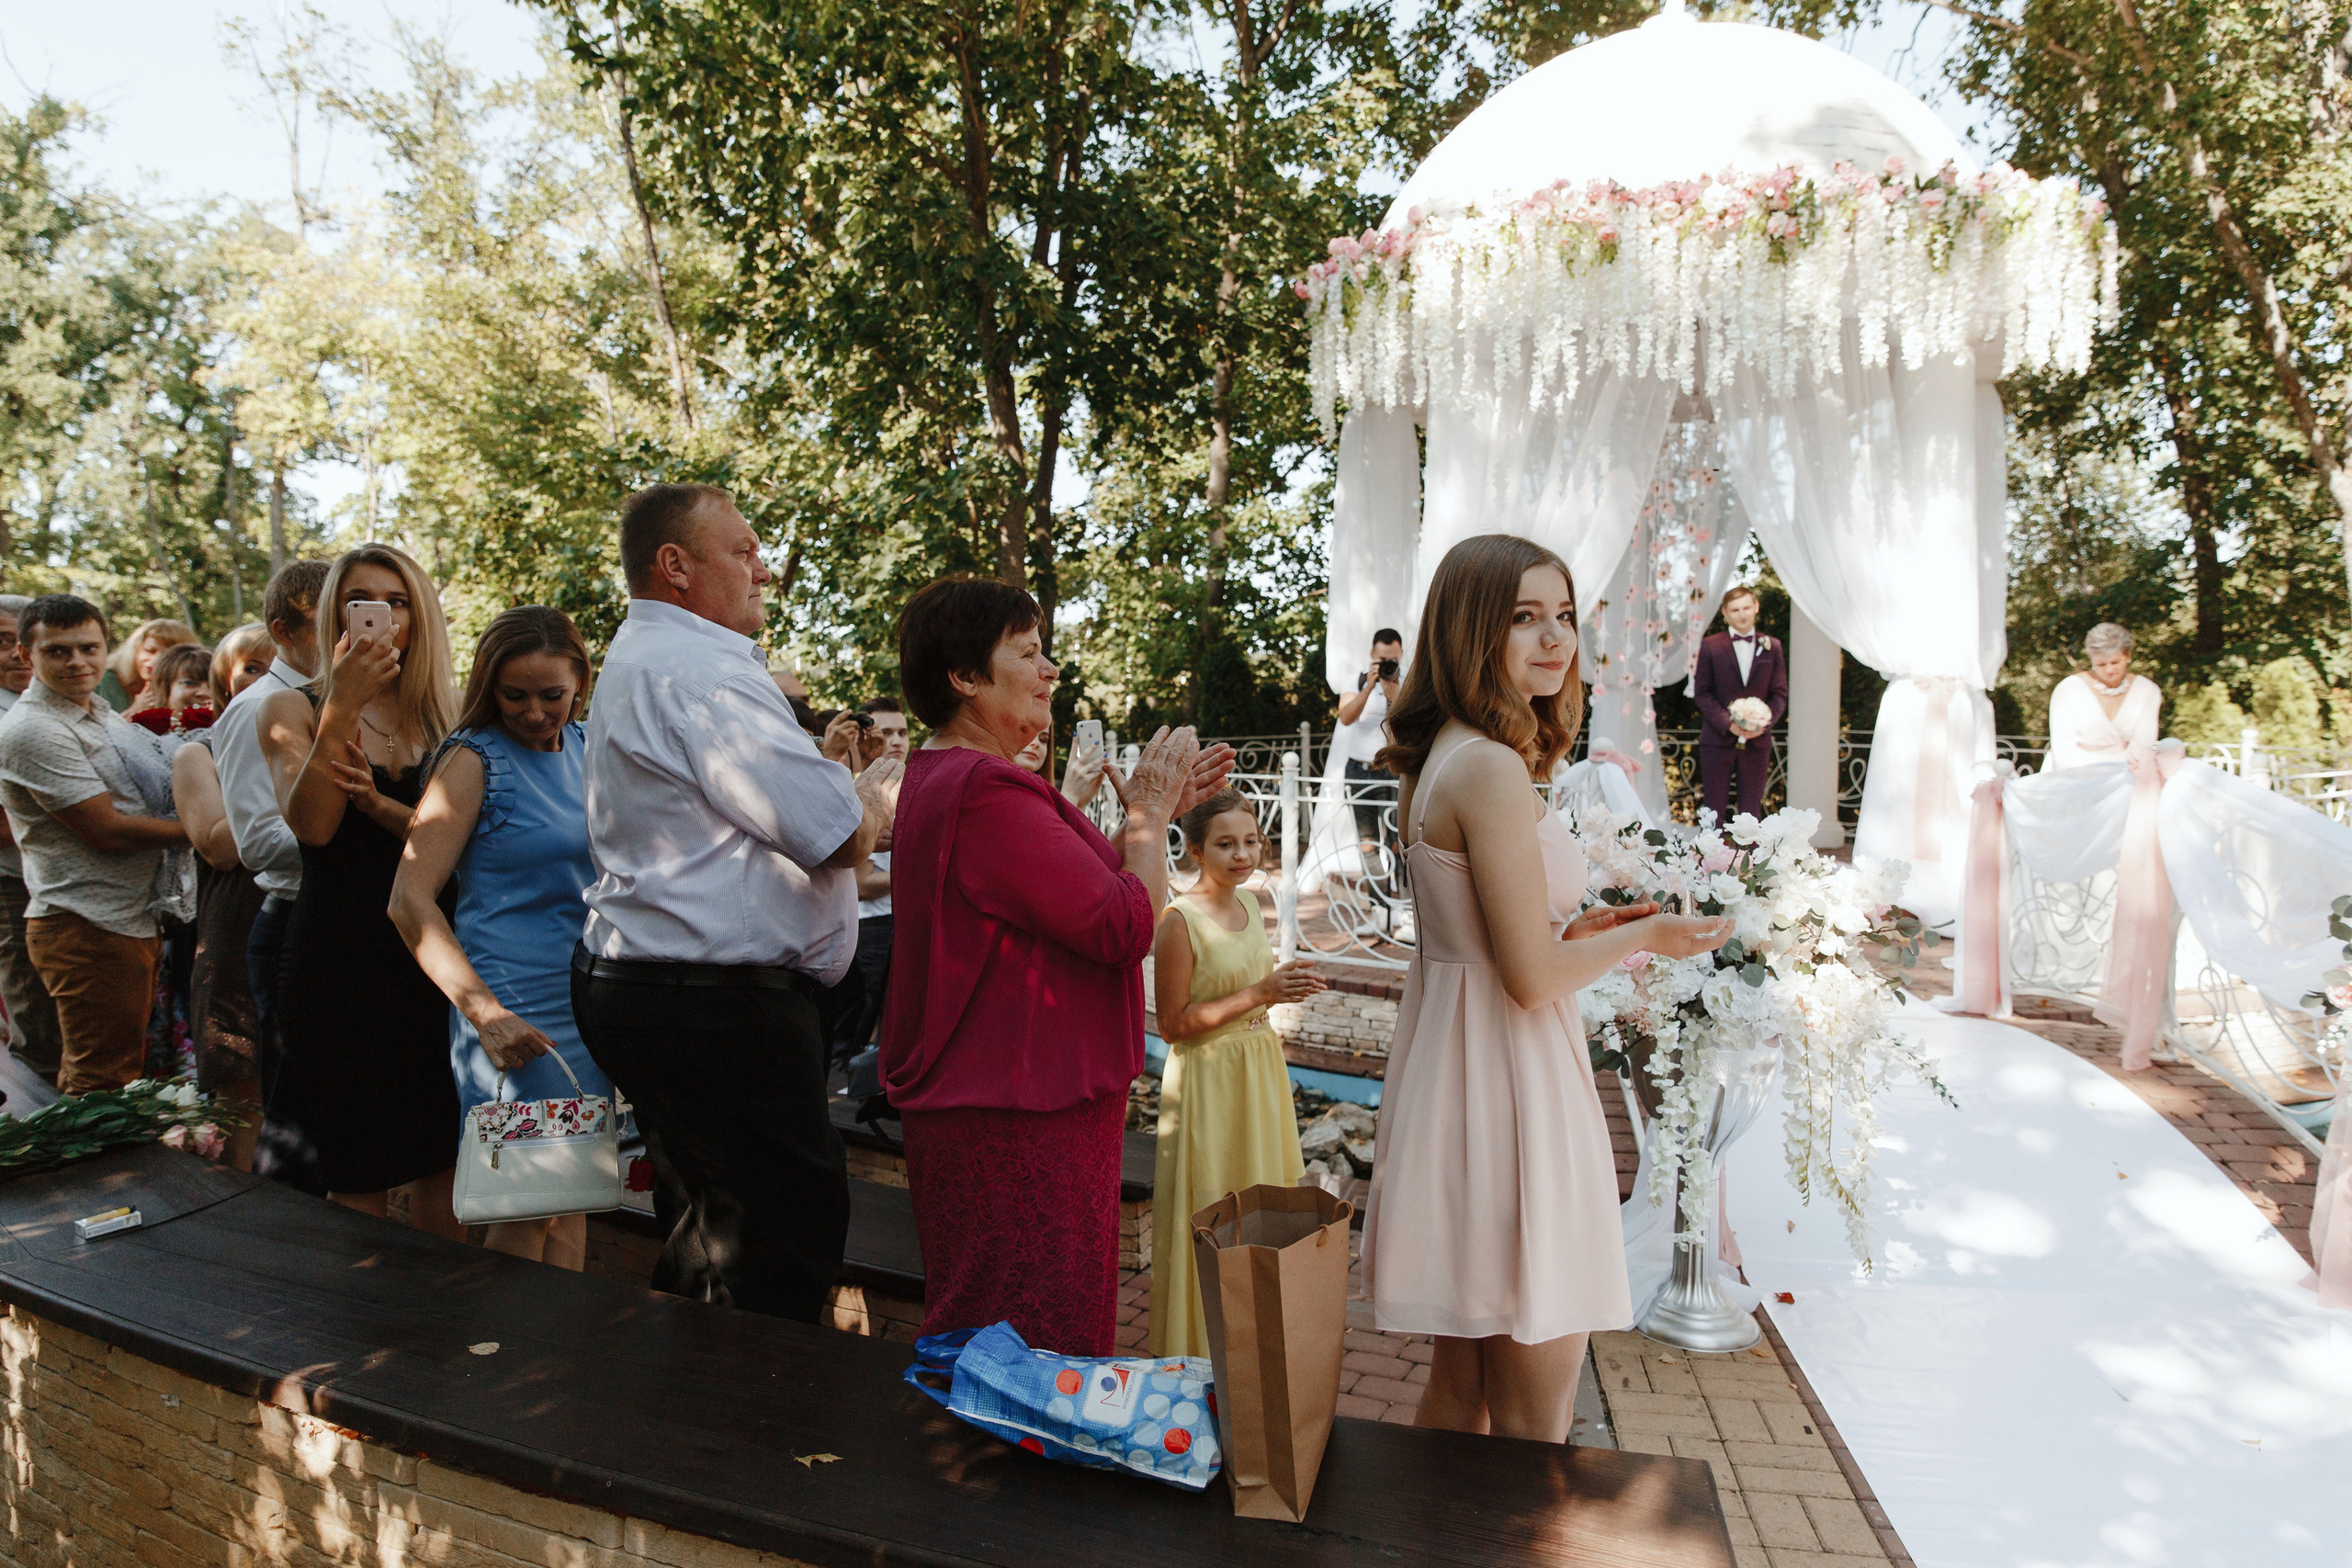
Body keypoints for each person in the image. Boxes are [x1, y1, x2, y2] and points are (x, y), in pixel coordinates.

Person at [1362, 534, 1731, 1443]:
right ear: (1468, 630)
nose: (1554, 637)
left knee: (1463, 1389)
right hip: (1512, 1083)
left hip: (1461, 1073)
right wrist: (1650, 933)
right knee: (1537, 1417)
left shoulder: (1448, 753)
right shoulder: (1486, 767)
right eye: (1523, 617)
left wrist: (1579, 930)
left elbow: (1483, 940)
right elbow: (1528, 982)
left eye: (1562, 615)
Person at [878, 574, 1232, 1354]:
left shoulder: (962, 778)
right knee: (1033, 1344)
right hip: (1018, 1118)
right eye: (1030, 653)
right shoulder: (984, 789)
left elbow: (1080, 886)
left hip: (1010, 1103)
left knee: (1015, 1333)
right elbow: (1120, 921)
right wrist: (1143, 808)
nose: (1050, 671)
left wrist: (1155, 814)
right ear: (964, 677)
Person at [574, 482, 897, 1320]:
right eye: (744, 550)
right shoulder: (700, 672)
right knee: (776, 1240)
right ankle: (742, 1431)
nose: (765, 568)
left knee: (710, 1227)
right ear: (674, 566)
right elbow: (836, 833)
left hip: (672, 992)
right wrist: (873, 799)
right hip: (712, 1006)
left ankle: (690, 1418)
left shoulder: (655, 657)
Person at [391, 606, 612, 1269]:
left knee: (572, 1196)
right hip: (509, 1005)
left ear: (581, 681)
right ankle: (502, 1358)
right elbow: (408, 900)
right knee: (523, 1207)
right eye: (514, 695)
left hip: (585, 1002)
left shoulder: (588, 744)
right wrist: (484, 1014)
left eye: (553, 694)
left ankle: (559, 1360)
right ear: (488, 687)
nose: (536, 711)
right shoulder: (472, 758)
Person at [255, 544, 463, 1235]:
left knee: (444, 1159)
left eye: (397, 601)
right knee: (356, 1168)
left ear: (418, 615)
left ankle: (441, 1325)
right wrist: (341, 703)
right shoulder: (291, 706)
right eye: (361, 600)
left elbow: (473, 843)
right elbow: (313, 828)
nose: (381, 616)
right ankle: (358, 1329)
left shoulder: (451, 716)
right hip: (337, 960)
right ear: (336, 614)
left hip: (435, 956)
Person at [1148, 787, 1325, 1357]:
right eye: (1226, 844)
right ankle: (1198, 1344)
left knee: (1258, 1204)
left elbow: (1252, 997)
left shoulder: (1251, 906)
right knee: (1212, 1205)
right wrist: (1261, 991)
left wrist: (1279, 989)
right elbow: (1173, 1023)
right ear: (1195, 849)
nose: (1242, 854)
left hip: (1258, 1069)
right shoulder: (1179, 920)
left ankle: (1252, 1341)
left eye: (1251, 842)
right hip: (1209, 1080)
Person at [0, 597, 190, 1093]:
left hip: (129, 915)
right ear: (27, 655)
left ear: (106, 649)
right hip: (85, 921)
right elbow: (106, 829)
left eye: (89, 648)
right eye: (58, 651)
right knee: (99, 1080)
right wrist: (207, 830)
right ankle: (91, 1173)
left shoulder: (99, 711)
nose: (78, 662)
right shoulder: (31, 729)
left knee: (120, 1070)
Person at [215, 560, 330, 1190]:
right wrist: (352, 837)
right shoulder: (256, 709)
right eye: (330, 620)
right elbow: (257, 840)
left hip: (353, 923)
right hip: (292, 926)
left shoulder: (353, 703)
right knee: (296, 1119)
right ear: (283, 630)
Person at [172, 625, 278, 1168]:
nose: (270, 679)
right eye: (253, 669)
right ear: (225, 682)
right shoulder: (200, 753)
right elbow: (218, 845)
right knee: (244, 1081)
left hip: (305, 921)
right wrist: (297, 796)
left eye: (280, 666)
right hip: (236, 924)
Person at [820, 696, 914, 1068]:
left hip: (907, 922)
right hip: (872, 927)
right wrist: (922, 868)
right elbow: (862, 883)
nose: (897, 741)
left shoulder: (913, 782)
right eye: (886, 732)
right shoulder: (861, 790)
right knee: (860, 1034)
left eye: (903, 732)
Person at [0, 594, 62, 1085]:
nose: (12, 651)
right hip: (14, 882)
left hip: (71, 886)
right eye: (1, 641)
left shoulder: (64, 701)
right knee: (36, 1019)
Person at [1690, 584, 1787, 822]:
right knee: (1713, 810)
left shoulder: (1772, 646)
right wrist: (1729, 724)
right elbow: (1701, 692)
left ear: (1756, 607)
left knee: (1751, 810)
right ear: (1725, 613)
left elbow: (1779, 694)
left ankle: (1751, 859)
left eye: (1746, 607)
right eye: (1735, 609)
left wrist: (1762, 723)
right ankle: (1712, 858)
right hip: (1717, 739)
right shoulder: (1711, 645)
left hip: (1757, 741)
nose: (1742, 614)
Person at [1333, 628, 1406, 885]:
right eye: (1383, 660)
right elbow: (1346, 717)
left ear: (1401, 656)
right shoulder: (1357, 680)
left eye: (1393, 661)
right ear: (1372, 655)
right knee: (1368, 843)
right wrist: (1369, 687)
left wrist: (1390, 688)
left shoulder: (1405, 682)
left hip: (1393, 771)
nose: (1388, 665)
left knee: (1398, 841)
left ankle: (1404, 908)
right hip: (1359, 770)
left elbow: (1407, 722)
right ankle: (1379, 906)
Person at [2046, 623, 2160, 772]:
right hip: (2073, 773)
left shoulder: (2146, 690)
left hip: (2128, 772)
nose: (2109, 670)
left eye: (2115, 662)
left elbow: (2143, 746)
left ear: (2128, 656)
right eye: (2101, 664)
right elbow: (2063, 750)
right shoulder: (2068, 690)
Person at [99, 618, 200, 714]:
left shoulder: (193, 689)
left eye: (166, 655)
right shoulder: (106, 680)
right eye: (150, 651)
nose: (155, 661)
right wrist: (134, 711)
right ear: (136, 650)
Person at [129, 644, 218, 738]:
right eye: (190, 683)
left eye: (213, 685)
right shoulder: (141, 736)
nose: (205, 693)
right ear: (164, 688)